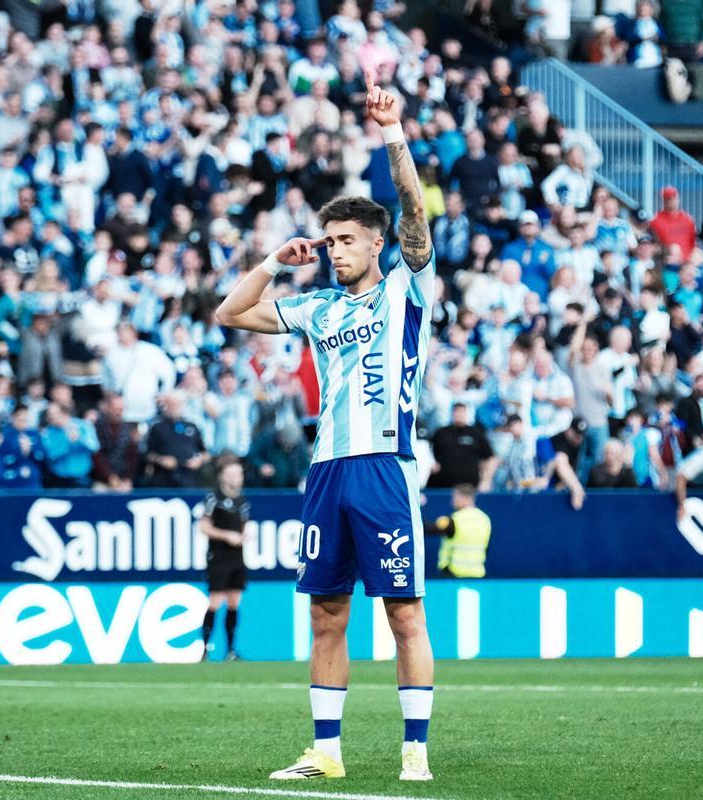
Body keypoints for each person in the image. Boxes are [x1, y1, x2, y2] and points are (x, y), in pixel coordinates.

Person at [215, 75, 435, 782]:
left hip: (383, 467)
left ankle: (414, 751)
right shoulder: (319, 309)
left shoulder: (406, 285)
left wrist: (393, 133)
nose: (335, 250)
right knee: (326, 614)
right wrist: (275, 261)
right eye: (330, 239)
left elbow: (412, 210)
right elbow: (231, 313)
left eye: (347, 240)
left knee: (403, 615)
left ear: (378, 245)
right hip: (326, 473)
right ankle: (327, 753)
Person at [199, 458, 252, 661]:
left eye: (238, 474)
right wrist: (226, 536)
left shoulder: (243, 502)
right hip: (219, 555)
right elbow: (204, 527)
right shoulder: (214, 499)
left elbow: (244, 525)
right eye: (231, 474)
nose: (235, 478)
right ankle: (204, 649)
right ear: (222, 476)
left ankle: (230, 650)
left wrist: (245, 534)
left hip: (237, 556)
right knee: (215, 601)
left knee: (234, 601)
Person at [428, 402, 498, 490]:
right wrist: (431, 463)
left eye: (462, 412)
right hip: (442, 486)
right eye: (456, 412)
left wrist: (486, 480)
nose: (459, 415)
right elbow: (427, 450)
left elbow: (491, 458)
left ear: (466, 414)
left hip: (469, 488)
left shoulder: (476, 433)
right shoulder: (441, 433)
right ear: (452, 414)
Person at [429, 484, 492, 578]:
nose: (452, 502)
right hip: (477, 574)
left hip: (452, 575)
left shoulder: (455, 519)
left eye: (455, 498)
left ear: (464, 498)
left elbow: (429, 529)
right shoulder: (485, 519)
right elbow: (486, 547)